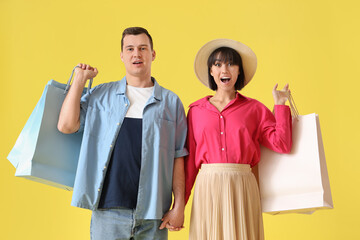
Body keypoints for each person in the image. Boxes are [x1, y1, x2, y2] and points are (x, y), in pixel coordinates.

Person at [57, 27, 188, 240]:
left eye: (142, 48)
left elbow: (178, 157)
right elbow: (66, 125)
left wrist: (179, 206)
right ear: (122, 55)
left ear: (153, 54)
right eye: (130, 49)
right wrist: (80, 79)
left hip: (154, 215)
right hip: (108, 211)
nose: (136, 54)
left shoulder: (171, 103)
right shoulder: (100, 95)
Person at [185, 39, 293, 240]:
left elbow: (282, 143)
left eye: (230, 64)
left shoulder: (255, 109)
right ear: (210, 71)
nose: (224, 69)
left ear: (238, 71)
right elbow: (190, 164)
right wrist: (178, 207)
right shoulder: (195, 112)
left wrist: (280, 105)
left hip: (242, 187)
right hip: (208, 187)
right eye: (217, 64)